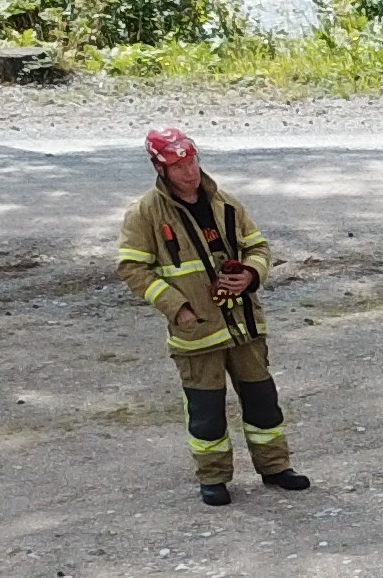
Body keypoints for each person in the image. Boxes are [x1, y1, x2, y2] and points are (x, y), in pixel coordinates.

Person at [115, 125, 308, 508]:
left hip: (245, 327)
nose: (189, 171)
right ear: (160, 168)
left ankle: (275, 468)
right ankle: (214, 478)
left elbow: (259, 247)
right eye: (178, 165)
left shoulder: (227, 204)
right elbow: (132, 269)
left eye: (192, 161)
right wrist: (178, 308)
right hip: (197, 332)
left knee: (263, 402)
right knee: (206, 412)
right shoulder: (145, 214)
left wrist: (250, 275)